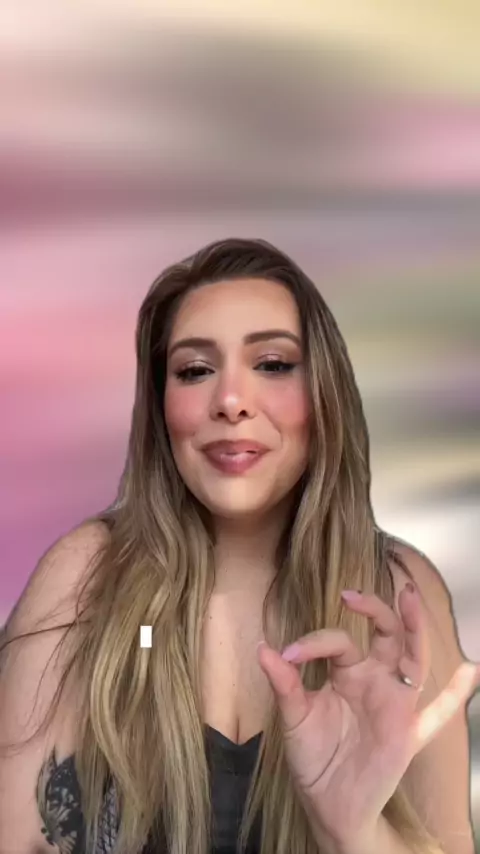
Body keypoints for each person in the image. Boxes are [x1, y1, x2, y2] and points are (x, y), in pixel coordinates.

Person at [0, 237, 477, 854]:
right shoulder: (85, 580)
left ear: (325, 393)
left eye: (272, 364)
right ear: (161, 406)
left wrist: (357, 831)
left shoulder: (400, 595)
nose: (229, 401)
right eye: (195, 371)